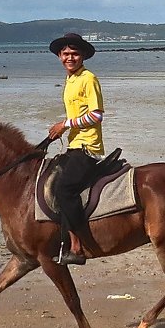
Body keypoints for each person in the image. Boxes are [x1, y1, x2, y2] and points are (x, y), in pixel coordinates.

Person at [46, 32, 107, 266]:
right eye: (65, 54)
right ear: (60, 56)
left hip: (88, 146)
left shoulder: (88, 78)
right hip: (73, 145)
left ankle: (78, 245)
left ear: (82, 56)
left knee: (64, 189)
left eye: (74, 54)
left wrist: (65, 124)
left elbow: (96, 115)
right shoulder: (71, 80)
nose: (69, 57)